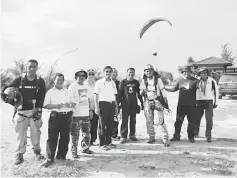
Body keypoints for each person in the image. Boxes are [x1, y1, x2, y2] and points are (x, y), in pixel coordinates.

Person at [1, 59, 46, 165]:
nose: (31, 69)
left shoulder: (40, 81)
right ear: (26, 67)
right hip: (21, 112)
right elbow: (7, 89)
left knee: (36, 134)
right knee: (21, 135)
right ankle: (19, 154)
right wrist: (5, 95)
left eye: (34, 67)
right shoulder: (19, 79)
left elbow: (42, 96)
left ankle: (37, 152)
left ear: (37, 68)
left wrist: (39, 110)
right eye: (29, 66)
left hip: (34, 111)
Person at [42, 73, 76, 167]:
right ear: (54, 81)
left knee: (65, 137)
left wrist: (69, 104)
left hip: (66, 116)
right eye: (58, 80)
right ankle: (50, 158)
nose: (60, 81)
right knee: (52, 138)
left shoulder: (67, 91)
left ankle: (61, 157)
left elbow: (73, 103)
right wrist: (57, 106)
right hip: (55, 116)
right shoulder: (50, 92)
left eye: (61, 80)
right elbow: (45, 105)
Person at [165, 66, 199, 143]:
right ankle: (176, 136)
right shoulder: (180, 80)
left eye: (188, 72)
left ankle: (191, 137)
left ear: (191, 72)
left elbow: (201, 90)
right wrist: (163, 88)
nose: (186, 73)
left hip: (192, 106)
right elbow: (173, 89)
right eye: (185, 72)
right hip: (181, 105)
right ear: (183, 73)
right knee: (178, 121)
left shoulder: (196, 81)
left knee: (191, 122)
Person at [140, 64, 170, 146]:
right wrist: (142, 93)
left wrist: (166, 102)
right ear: (144, 72)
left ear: (153, 71)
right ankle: (151, 136)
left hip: (157, 101)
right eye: (146, 71)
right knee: (149, 120)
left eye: (149, 70)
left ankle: (165, 138)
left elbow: (163, 91)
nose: (148, 72)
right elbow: (141, 90)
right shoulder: (143, 80)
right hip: (147, 101)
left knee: (161, 120)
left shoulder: (158, 80)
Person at [68, 70, 94, 158]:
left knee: (86, 133)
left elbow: (89, 99)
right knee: (75, 135)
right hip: (76, 114)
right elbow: (69, 100)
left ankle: (85, 148)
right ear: (76, 77)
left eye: (83, 75)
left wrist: (90, 110)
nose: (81, 77)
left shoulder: (87, 86)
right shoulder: (72, 86)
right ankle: (74, 152)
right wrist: (70, 112)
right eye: (79, 75)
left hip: (85, 114)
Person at [94, 66, 117, 151]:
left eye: (110, 72)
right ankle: (102, 143)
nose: (108, 73)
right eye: (106, 71)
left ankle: (109, 142)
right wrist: (96, 107)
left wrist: (116, 107)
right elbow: (95, 95)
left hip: (111, 104)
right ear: (103, 73)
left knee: (110, 125)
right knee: (102, 125)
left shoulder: (113, 83)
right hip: (102, 104)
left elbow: (114, 95)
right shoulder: (99, 82)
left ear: (112, 73)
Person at [119, 67, 144, 144]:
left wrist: (142, 102)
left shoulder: (136, 82)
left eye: (132, 72)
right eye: (129, 72)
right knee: (124, 120)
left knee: (133, 120)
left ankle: (132, 135)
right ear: (127, 73)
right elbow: (120, 93)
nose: (131, 74)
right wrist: (118, 103)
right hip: (125, 104)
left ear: (134, 73)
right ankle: (123, 136)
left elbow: (139, 94)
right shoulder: (123, 82)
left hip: (133, 104)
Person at [194, 67, 219, 142]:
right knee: (197, 118)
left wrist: (216, 102)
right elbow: (193, 91)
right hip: (199, 101)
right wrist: (194, 102)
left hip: (209, 101)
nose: (203, 74)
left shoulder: (212, 81)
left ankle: (208, 135)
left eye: (205, 73)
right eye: (201, 73)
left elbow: (216, 92)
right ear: (200, 74)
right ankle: (195, 133)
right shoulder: (197, 81)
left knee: (209, 119)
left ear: (207, 73)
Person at [87, 69, 99, 145]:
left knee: (94, 124)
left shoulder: (97, 84)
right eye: (89, 74)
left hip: (95, 107)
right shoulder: (84, 84)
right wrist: (89, 109)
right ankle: (86, 140)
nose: (91, 76)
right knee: (87, 125)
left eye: (92, 74)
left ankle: (93, 140)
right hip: (86, 108)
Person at [111, 68, 120, 139]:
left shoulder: (118, 83)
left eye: (115, 72)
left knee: (116, 119)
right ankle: (108, 134)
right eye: (113, 72)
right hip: (108, 103)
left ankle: (114, 134)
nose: (114, 73)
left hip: (117, 103)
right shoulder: (107, 82)